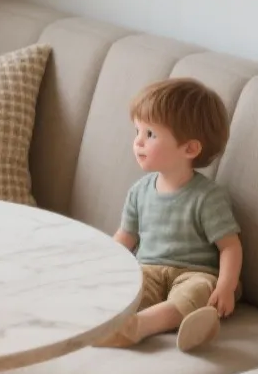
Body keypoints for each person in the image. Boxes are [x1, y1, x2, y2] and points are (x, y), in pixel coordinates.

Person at [99, 78, 243, 351]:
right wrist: (103, 266)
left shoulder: (207, 197)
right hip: (149, 269)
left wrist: (226, 286)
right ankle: (112, 322)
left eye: (150, 135)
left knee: (197, 291)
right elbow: (125, 238)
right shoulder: (139, 191)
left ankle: (140, 326)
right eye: (137, 131)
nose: (138, 142)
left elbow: (230, 247)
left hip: (195, 272)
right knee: (128, 289)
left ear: (189, 149)